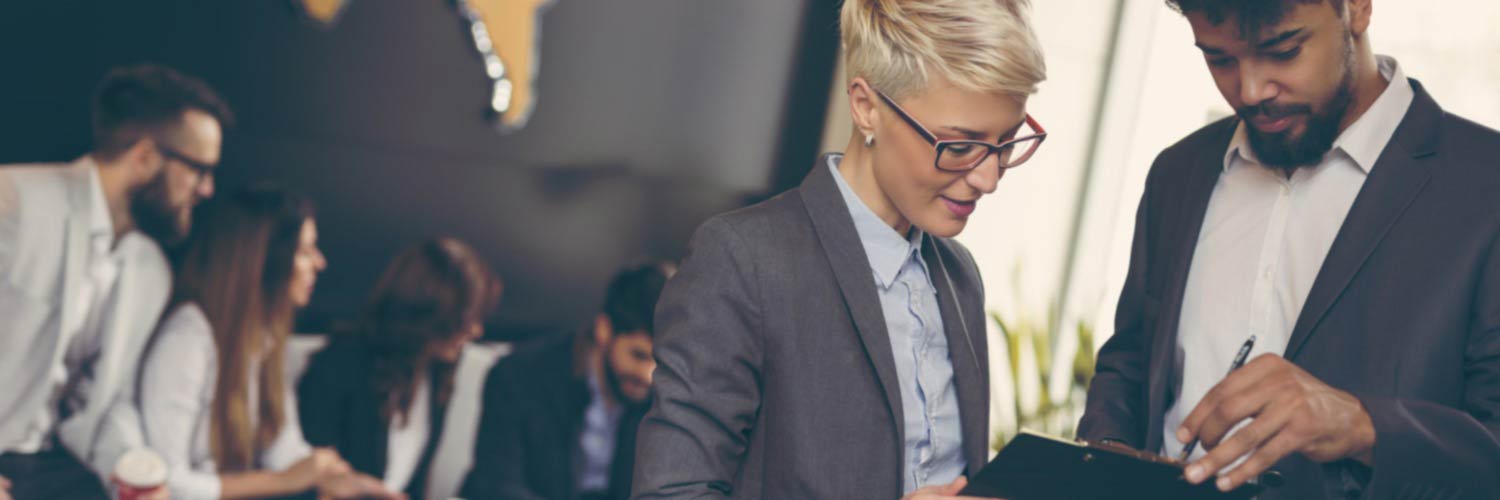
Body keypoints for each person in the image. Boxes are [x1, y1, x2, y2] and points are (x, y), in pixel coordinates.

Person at [1077, 0, 1500, 498]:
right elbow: (1130, 362)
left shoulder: (1486, 186)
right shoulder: (1178, 172)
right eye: (1220, 60)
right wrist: (1104, 457)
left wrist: (1363, 425)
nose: (1251, 91)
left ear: (1358, 9)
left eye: (1283, 51)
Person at [630, 1, 1048, 498]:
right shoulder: (744, 260)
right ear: (866, 106)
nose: (989, 179)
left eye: (1005, 142)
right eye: (959, 146)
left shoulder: (959, 276)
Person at [0, 63, 229, 499]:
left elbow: (105, 402)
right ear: (143, 157)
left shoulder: (151, 269)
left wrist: (132, 469)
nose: (207, 190)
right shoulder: (12, 202)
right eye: (199, 169)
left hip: (49, 465)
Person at [138, 186, 400, 500]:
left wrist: (346, 482)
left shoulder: (263, 340)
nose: (320, 263)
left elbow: (283, 449)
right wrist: (284, 482)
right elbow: (166, 483)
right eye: (305, 251)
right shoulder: (188, 338)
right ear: (262, 260)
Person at [298, 237, 503, 499]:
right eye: (466, 317)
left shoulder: (437, 370)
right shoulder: (341, 364)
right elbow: (311, 481)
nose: (476, 330)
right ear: (429, 313)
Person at [460, 263, 672, 500]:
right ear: (604, 330)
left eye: (660, 361)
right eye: (638, 355)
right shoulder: (518, 376)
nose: (648, 375)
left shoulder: (667, 398)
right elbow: (497, 487)